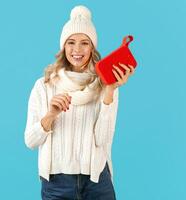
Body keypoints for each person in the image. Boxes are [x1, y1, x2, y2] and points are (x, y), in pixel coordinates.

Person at [24, 5, 135, 200]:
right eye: (71, 42)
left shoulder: (106, 84)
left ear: (92, 48)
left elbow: (102, 140)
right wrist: (51, 115)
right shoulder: (44, 86)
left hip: (96, 181)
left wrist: (109, 90)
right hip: (57, 184)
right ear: (63, 46)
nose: (77, 50)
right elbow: (31, 141)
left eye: (85, 43)